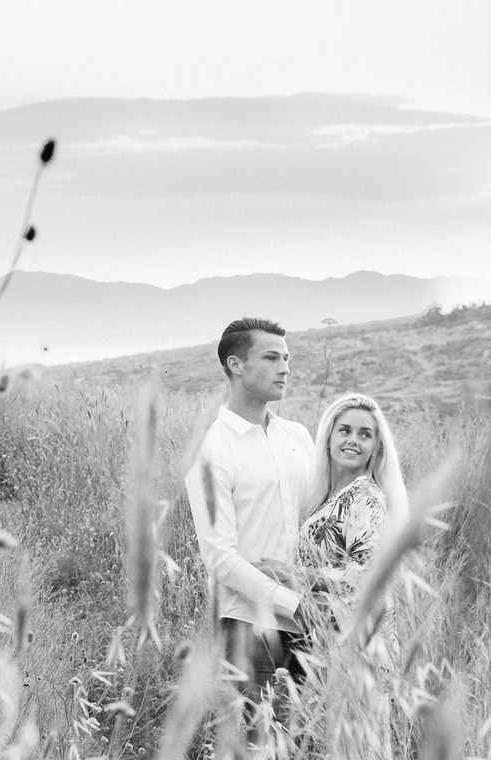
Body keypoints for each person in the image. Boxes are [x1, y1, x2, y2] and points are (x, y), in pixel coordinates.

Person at [184, 317, 315, 735]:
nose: (285, 368)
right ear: (236, 365)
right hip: (247, 627)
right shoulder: (212, 449)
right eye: (272, 357)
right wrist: (292, 603)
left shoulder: (298, 437)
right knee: (252, 740)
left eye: (287, 358)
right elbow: (220, 558)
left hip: (315, 620)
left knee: (310, 738)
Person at [294, 392, 408, 757]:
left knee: (355, 745)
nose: (352, 441)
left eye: (364, 434)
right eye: (344, 430)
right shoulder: (330, 495)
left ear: (376, 448)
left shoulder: (366, 497)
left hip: (356, 641)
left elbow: (367, 576)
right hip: (330, 638)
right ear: (328, 435)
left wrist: (295, 576)